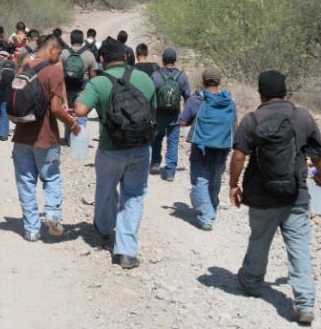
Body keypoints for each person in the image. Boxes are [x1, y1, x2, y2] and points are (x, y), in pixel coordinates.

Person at [229, 70, 321, 325]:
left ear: (261, 93)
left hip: (262, 196)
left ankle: (251, 281)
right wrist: (319, 176)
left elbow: (238, 156)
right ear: (286, 92)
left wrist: (233, 185)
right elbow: (316, 154)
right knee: (298, 249)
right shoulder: (302, 117)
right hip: (296, 195)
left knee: (260, 239)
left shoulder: (252, 120)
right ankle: (304, 304)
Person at [74, 38, 156, 269]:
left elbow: (80, 109)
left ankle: (103, 229)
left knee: (106, 189)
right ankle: (126, 252)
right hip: (140, 148)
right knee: (134, 195)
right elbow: (153, 110)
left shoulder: (99, 82)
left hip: (111, 149)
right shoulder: (145, 79)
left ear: (102, 59)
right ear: (126, 55)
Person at [11, 34, 81, 242]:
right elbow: (56, 108)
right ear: (51, 49)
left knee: (25, 181)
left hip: (22, 135)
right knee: (51, 177)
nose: (59, 58)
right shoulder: (54, 71)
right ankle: (52, 213)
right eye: (59, 53)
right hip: (46, 136)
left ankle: (31, 230)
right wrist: (73, 124)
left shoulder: (24, 67)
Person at [178, 67, 237, 230]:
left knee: (200, 180)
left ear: (202, 81)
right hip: (222, 149)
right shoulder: (229, 103)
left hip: (201, 148)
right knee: (215, 177)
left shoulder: (196, 100)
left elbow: (182, 122)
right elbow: (234, 126)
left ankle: (207, 216)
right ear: (220, 82)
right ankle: (212, 206)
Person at [150, 47, 192, 181]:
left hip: (159, 116)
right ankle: (170, 172)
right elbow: (187, 98)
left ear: (163, 60)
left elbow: (151, 97)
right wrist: (186, 116)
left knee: (157, 139)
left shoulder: (156, 75)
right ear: (175, 60)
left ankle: (155, 164)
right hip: (174, 116)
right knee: (173, 142)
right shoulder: (182, 77)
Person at [59, 29, 97, 146]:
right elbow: (93, 76)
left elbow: (59, 74)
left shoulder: (64, 53)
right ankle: (79, 138)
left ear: (71, 39)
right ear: (82, 40)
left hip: (67, 86)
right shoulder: (89, 54)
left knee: (68, 112)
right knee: (81, 113)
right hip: (82, 87)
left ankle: (68, 138)